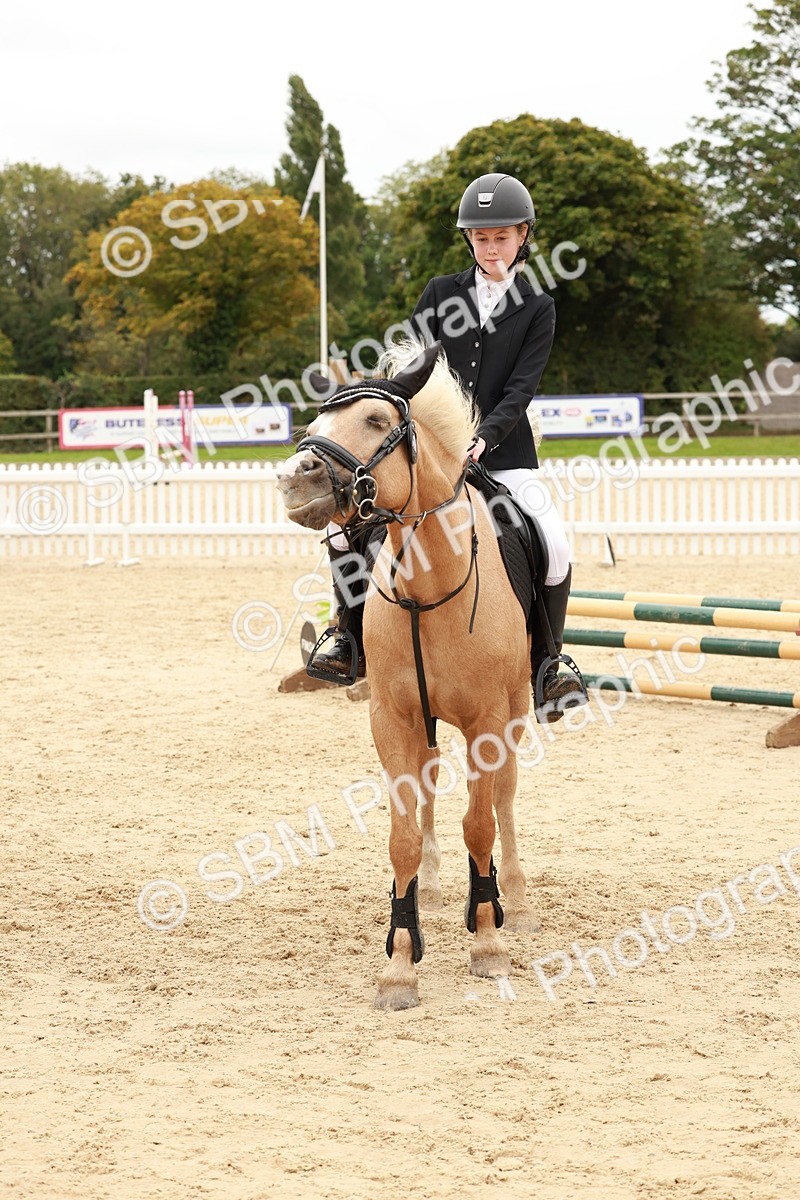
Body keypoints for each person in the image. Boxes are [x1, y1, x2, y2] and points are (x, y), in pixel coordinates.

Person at [314, 172, 583, 721]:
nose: (491, 247)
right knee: (343, 530)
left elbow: (520, 389)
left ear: (523, 236)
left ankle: (548, 664)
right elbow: (412, 367)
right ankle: (349, 641)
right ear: (470, 240)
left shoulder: (538, 306)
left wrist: (484, 438)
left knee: (553, 542)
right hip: (429, 456)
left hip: (503, 455)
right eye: (481, 238)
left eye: (501, 237)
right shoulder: (442, 292)